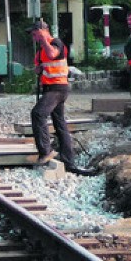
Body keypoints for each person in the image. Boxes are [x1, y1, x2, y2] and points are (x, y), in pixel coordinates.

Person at [26, 20, 96, 176]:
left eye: (35, 33)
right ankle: (68, 160)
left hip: (58, 88)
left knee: (38, 113)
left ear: (43, 31)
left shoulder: (55, 42)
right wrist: (39, 69)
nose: (33, 36)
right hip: (50, 88)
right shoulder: (40, 50)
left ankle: (46, 151)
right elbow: (43, 65)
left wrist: (44, 38)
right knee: (60, 124)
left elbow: (53, 54)